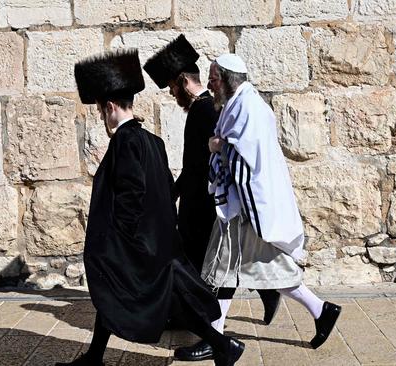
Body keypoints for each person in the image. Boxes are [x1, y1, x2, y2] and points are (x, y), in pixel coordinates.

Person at [55, 49, 244, 366]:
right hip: (158, 241)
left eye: (102, 112)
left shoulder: (126, 142)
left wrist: (122, 242)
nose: (103, 118)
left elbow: (132, 193)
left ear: (112, 107)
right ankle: (95, 357)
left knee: (123, 291)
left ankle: (222, 345)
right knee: (114, 295)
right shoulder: (152, 141)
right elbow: (165, 191)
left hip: (139, 244)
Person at [175, 54, 342, 356]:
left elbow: (243, 155)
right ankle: (320, 311)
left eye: (213, 79)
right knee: (246, 271)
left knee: (231, 270)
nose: (210, 85)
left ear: (226, 79)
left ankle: (218, 341)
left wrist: (217, 146)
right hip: (241, 207)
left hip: (246, 208)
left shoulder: (248, 107)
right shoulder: (237, 104)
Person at [144, 36, 281, 361]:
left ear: (182, 82)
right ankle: (265, 290)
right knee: (206, 267)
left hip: (205, 207)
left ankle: (210, 331)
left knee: (207, 269)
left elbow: (214, 162)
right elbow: (193, 163)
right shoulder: (204, 109)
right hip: (195, 203)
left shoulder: (207, 110)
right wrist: (173, 194)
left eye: (171, 87)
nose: (171, 94)